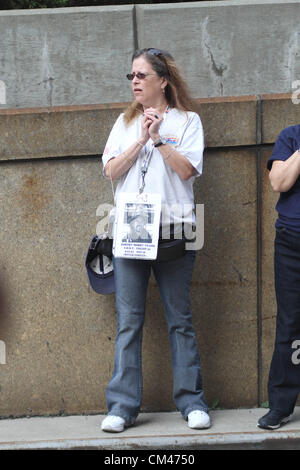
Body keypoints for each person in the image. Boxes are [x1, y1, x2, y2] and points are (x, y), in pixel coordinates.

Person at [100, 48, 210, 433]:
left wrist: (160, 140)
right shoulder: (123, 121)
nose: (134, 81)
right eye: (131, 75)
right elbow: (111, 171)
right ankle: (122, 406)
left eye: (142, 75)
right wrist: (141, 141)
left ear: (163, 80)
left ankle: (192, 402)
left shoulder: (188, 121)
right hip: (131, 233)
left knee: (179, 320)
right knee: (129, 322)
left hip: (175, 230)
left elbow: (187, 170)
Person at [258, 125, 300, 430]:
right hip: (291, 243)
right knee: (290, 324)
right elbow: (280, 182)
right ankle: (281, 406)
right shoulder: (291, 136)